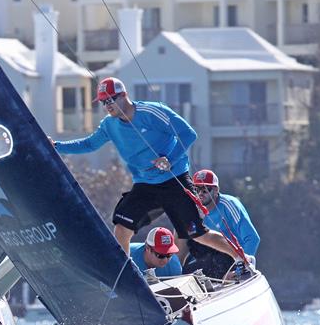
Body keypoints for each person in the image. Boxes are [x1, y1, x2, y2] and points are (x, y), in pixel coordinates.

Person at [52, 77, 243, 264]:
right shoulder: (109, 125)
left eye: (110, 100)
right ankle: (126, 272)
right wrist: (56, 146)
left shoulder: (152, 112)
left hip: (174, 180)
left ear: (124, 95)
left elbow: (188, 134)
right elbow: (89, 144)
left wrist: (170, 159)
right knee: (121, 227)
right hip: (145, 185)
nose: (107, 105)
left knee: (198, 234)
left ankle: (240, 258)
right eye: (103, 102)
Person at [183, 169, 260, 280]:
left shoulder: (229, 205)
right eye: (196, 189)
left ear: (216, 190)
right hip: (209, 258)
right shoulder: (191, 209)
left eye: (205, 189)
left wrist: (239, 269)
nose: (200, 194)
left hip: (232, 258)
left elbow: (252, 238)